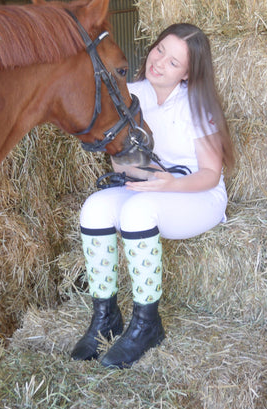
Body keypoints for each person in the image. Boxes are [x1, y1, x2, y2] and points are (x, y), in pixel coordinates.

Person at [71, 23, 235, 368]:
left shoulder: (196, 104)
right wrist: (138, 173)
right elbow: (122, 157)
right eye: (160, 50)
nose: (159, 62)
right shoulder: (129, 94)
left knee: (137, 212)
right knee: (94, 209)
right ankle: (106, 318)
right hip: (150, 186)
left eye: (174, 62)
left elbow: (210, 174)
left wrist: (168, 183)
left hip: (195, 194)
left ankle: (147, 325)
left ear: (188, 73)